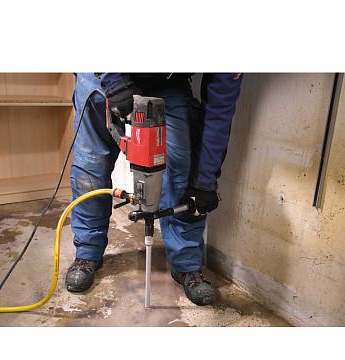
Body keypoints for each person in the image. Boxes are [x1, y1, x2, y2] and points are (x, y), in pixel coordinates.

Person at [65, 73, 243, 306]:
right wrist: (114, 81)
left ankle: (186, 264)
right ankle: (87, 253)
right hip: (100, 78)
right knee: (90, 170)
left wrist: (205, 182)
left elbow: (219, 112)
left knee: (181, 169)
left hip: (167, 84)